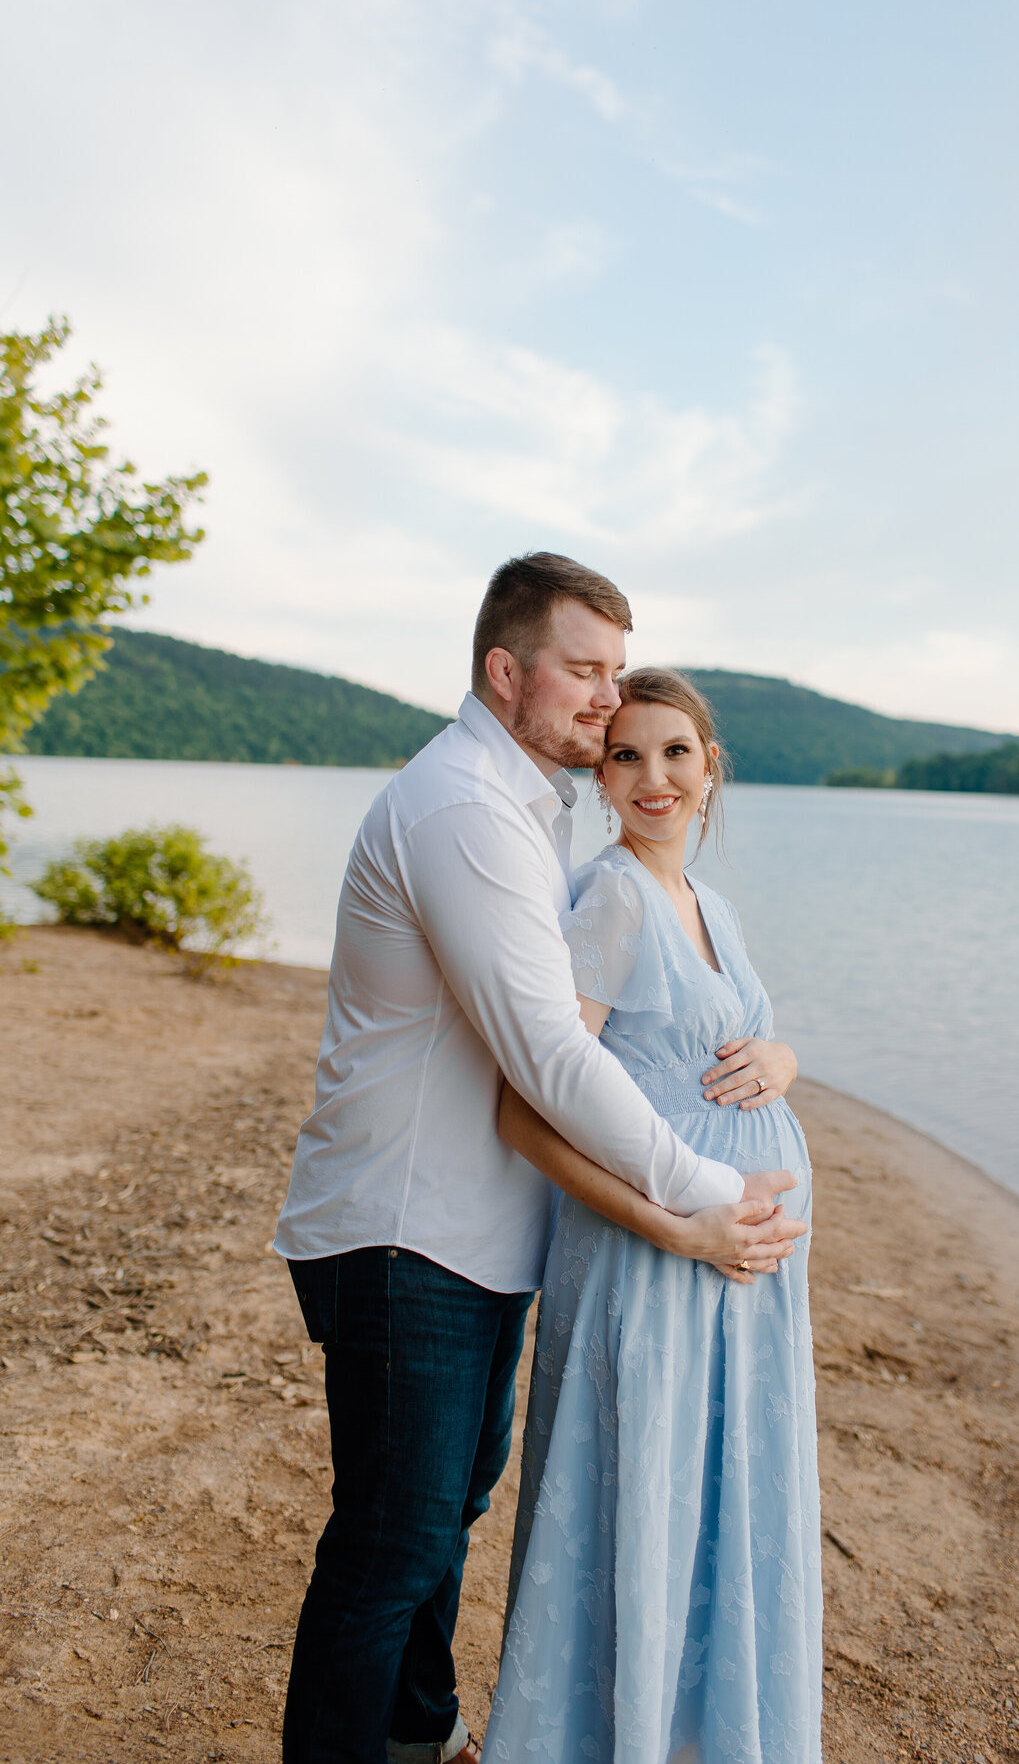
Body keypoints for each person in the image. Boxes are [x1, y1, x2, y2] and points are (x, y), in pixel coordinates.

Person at [273, 555, 806, 1764]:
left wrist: (776, 1058)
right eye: (584, 672)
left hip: (472, 1234)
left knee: (440, 1519)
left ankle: (419, 1733)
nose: (607, 704)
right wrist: (710, 1201)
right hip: (404, 1228)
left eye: (619, 675)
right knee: (393, 1543)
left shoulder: (528, 808)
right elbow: (551, 1067)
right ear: (504, 671)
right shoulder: (466, 811)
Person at [481, 667, 822, 1764]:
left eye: (675, 752)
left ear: (711, 769)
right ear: (600, 774)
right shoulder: (617, 895)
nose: (652, 776)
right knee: (643, 1509)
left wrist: (785, 1055)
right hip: (659, 1262)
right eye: (625, 754)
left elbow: (727, 1050)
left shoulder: (706, 905)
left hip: (735, 1282)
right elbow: (533, 1108)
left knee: (710, 1508)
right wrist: (679, 1228)